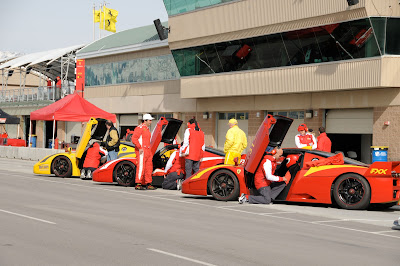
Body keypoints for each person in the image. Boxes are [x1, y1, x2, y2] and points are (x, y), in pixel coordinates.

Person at [132, 114, 156, 190]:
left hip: (148, 151)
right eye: (150, 120)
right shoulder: (140, 128)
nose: (151, 122)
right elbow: (134, 139)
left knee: (149, 167)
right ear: (145, 120)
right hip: (142, 150)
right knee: (141, 167)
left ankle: (148, 183)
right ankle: (138, 183)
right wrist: (140, 147)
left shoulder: (147, 128)